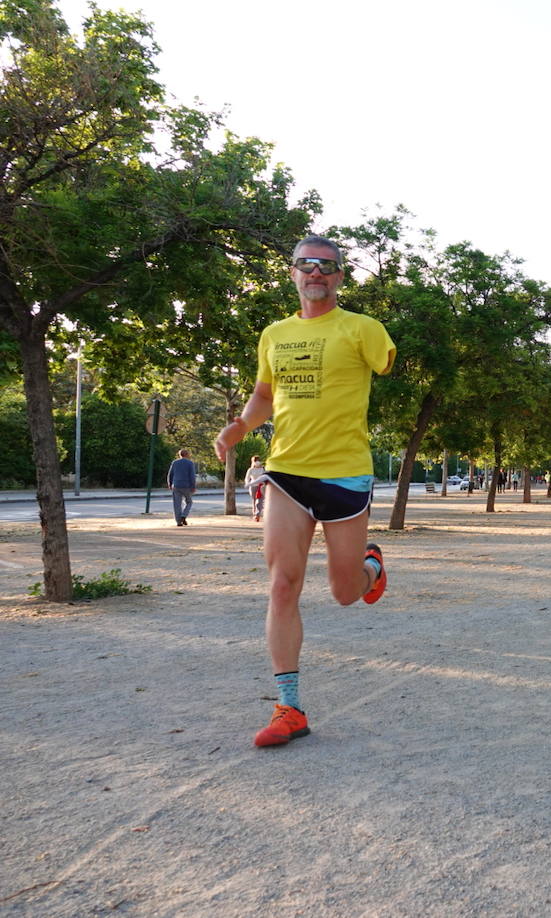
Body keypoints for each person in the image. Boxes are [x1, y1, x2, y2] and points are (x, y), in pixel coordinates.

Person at [215, 235, 396, 748]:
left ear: (340, 277)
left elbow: (385, 364)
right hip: (286, 472)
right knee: (281, 584)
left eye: (327, 266)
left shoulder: (363, 329)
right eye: (306, 264)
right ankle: (288, 707)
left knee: (343, 593)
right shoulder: (273, 334)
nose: (316, 272)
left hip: (344, 474)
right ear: (292, 273)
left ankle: (371, 567)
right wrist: (237, 428)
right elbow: (264, 395)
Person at [167, 449, 197, 526]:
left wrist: (170, 483)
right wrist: (193, 486)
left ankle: (178, 522)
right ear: (187, 455)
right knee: (189, 502)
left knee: (177, 504)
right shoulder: (190, 463)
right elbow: (192, 476)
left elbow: (170, 474)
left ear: (180, 455)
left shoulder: (175, 462)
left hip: (176, 485)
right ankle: (184, 515)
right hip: (186, 486)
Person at [244, 455, 268, 522]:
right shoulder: (250, 469)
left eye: (258, 460)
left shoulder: (262, 469)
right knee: (254, 500)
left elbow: (265, 477)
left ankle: (257, 515)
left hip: (261, 486)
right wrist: (247, 483)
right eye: (255, 461)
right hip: (253, 486)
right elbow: (247, 478)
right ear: (253, 462)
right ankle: (254, 513)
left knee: (260, 500)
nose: (257, 462)